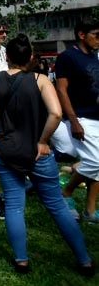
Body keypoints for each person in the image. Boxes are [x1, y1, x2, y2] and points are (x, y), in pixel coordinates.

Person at [0, 33, 95, 277]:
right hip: (36, 152)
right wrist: (42, 140)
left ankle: (21, 260)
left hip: (5, 150)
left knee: (15, 206)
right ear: (30, 57)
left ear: (6, 57)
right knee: (57, 206)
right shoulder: (40, 80)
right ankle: (84, 260)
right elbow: (56, 113)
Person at [54, 18, 99, 223]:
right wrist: (73, 120)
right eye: (96, 35)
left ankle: (90, 212)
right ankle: (66, 192)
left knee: (96, 166)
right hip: (80, 117)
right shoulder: (67, 57)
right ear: (82, 35)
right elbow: (61, 90)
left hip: (96, 116)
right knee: (96, 161)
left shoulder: (94, 57)